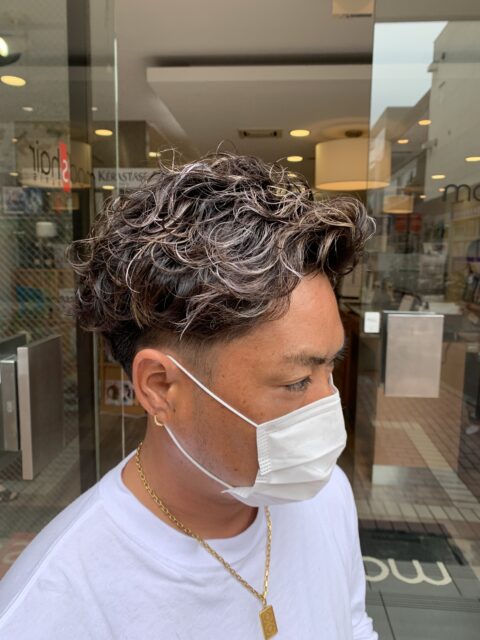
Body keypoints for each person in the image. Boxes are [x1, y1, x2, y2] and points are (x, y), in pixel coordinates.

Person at [0, 152, 378, 639]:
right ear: (160, 387)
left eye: (330, 367)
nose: (328, 405)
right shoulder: (55, 608)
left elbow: (352, 623)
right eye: (296, 382)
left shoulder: (326, 495)